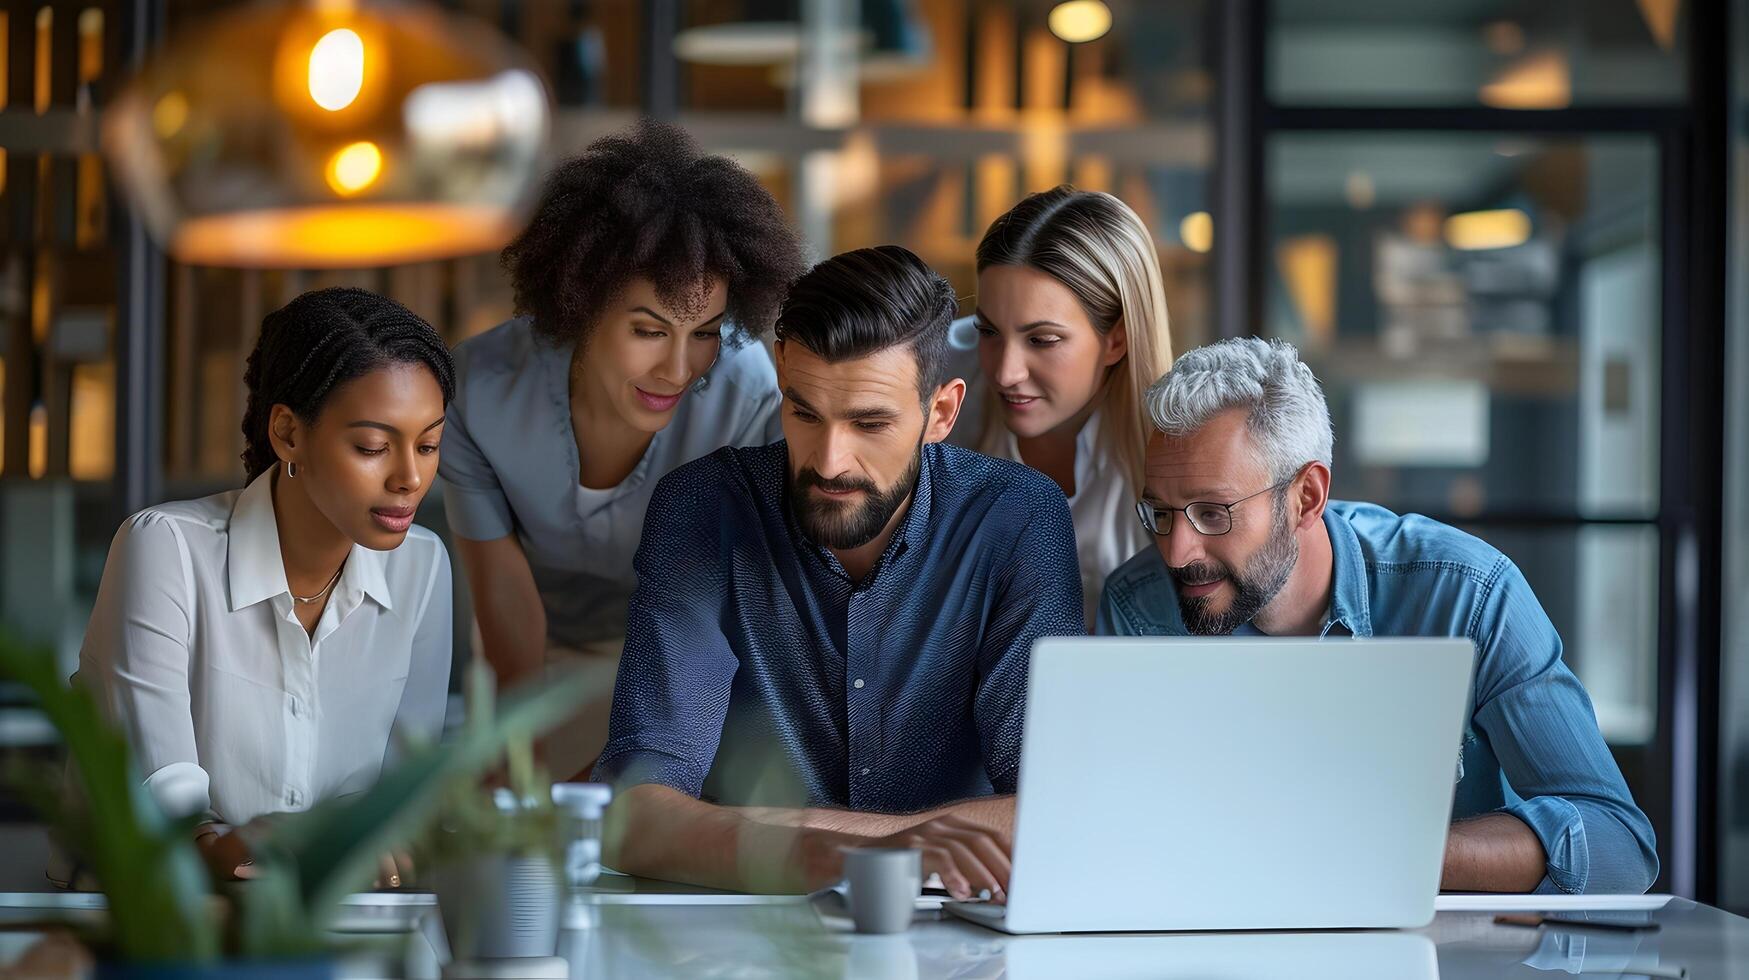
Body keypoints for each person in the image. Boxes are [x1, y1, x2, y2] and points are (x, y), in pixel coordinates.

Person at [595, 246, 1083, 900]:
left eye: (869, 423)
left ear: (940, 413)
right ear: (780, 378)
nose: (828, 461)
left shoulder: (1017, 517)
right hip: (744, 936)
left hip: (956, 935)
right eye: (804, 413)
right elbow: (634, 817)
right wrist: (878, 852)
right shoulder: (702, 508)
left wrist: (763, 832)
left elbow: (1056, 810)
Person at [1098, 337, 1660, 895]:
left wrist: (1385, 851)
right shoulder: (1137, 605)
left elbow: (1617, 848)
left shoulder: (1467, 595)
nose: (1177, 552)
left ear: (1306, 497)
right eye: (1162, 514)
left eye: (1212, 513)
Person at [439, 120, 807, 778]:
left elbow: (728, 606)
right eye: (647, 330)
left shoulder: (750, 398)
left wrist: (632, 767)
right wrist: (519, 759)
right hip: (533, 650)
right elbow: (502, 595)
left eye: (704, 333)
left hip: (684, 651)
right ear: (580, 307)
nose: (676, 367)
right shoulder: (479, 391)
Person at [76, 288, 456, 887]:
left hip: (337, 923)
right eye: (373, 447)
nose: (410, 477)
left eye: (429, 444)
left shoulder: (422, 567)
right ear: (287, 433)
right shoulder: (166, 549)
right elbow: (169, 818)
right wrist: (258, 851)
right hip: (157, 924)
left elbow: (404, 795)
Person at [952, 187, 1174, 627]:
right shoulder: (931, 376)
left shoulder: (1183, 449)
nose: (1005, 373)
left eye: (1042, 340)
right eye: (989, 331)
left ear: (1117, 338)